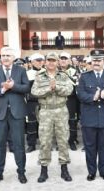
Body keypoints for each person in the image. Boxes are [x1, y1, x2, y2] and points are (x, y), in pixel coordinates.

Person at [0, 47, 30, 185]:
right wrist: (2, 89)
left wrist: (13, 86)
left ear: (13, 57)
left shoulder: (21, 71)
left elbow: (26, 88)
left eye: (8, 55)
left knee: (19, 144)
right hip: (0, 114)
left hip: (17, 113)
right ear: (0, 57)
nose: (5, 58)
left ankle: (21, 172)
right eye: (3, 55)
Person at [77, 49, 104, 181]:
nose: (96, 62)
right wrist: (92, 97)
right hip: (89, 118)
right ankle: (91, 171)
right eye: (94, 60)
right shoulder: (84, 76)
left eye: (99, 60)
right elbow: (80, 94)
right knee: (90, 147)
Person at [31, 52, 73, 183]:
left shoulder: (64, 75)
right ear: (45, 62)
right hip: (45, 111)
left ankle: (64, 169)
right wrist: (49, 89)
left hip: (61, 110)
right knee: (45, 141)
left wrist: (57, 87)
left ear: (57, 62)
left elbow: (69, 90)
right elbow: (34, 92)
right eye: (48, 60)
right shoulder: (39, 76)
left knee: (63, 140)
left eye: (53, 60)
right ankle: (44, 170)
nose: (51, 63)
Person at [59, 52, 80, 151]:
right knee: (59, 122)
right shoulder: (54, 71)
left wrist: (65, 76)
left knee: (72, 121)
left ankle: (72, 141)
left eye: (65, 59)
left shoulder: (74, 70)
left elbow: (76, 84)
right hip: (58, 99)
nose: (63, 60)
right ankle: (60, 142)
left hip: (71, 99)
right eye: (61, 58)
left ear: (69, 61)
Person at [25, 53, 45, 153]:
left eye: (41, 60)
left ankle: (45, 144)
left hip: (44, 102)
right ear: (32, 62)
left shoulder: (46, 72)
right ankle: (31, 144)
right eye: (38, 60)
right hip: (31, 102)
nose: (40, 62)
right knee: (31, 123)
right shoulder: (27, 74)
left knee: (44, 124)